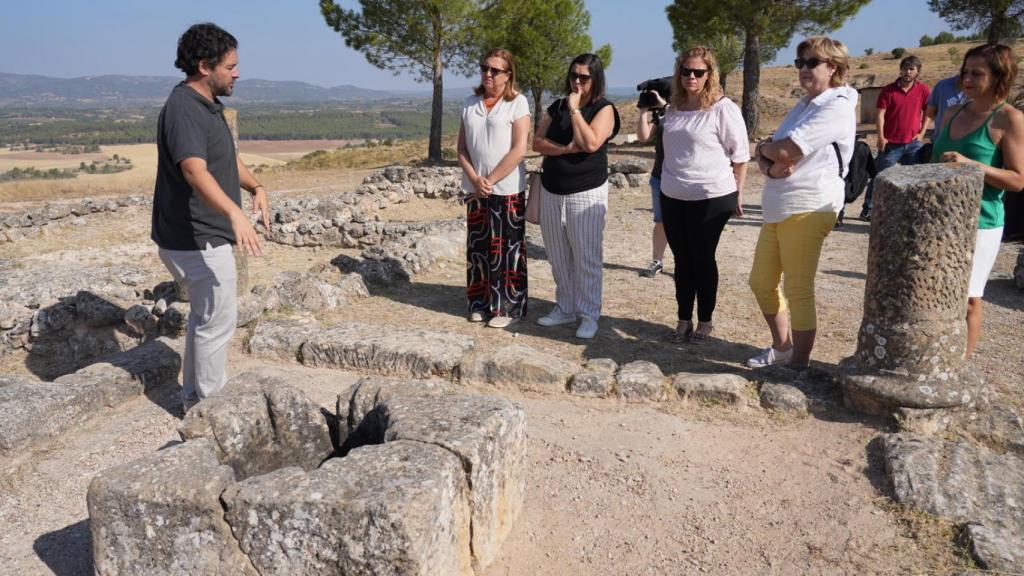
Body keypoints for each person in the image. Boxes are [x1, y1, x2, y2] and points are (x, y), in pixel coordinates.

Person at [152, 23, 271, 412]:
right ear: (205, 66)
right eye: (230, 66)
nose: (237, 73)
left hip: (202, 235)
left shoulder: (207, 105)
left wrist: (256, 187)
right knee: (216, 324)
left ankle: (194, 399)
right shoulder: (185, 108)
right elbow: (194, 170)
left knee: (207, 321)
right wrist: (234, 212)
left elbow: (227, 159)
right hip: (196, 238)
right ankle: (209, 409)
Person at [749, 36, 857, 368]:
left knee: (797, 288)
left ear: (833, 67)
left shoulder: (837, 105)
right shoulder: (806, 104)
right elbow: (772, 153)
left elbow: (785, 149)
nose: (804, 69)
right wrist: (769, 160)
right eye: (800, 63)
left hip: (809, 204)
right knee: (761, 282)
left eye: (812, 62)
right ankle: (782, 349)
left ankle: (799, 365)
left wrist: (765, 150)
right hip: (780, 204)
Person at [932, 43, 1024, 358]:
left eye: (977, 73)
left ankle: (962, 364)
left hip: (981, 222)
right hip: (939, 219)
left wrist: (972, 166)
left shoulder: (1009, 119)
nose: (967, 79)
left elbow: (1018, 179)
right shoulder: (952, 113)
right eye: (965, 72)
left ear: (999, 76)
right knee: (936, 292)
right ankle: (936, 359)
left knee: (969, 297)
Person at [658, 46, 749, 343]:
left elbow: (740, 155)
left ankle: (705, 322)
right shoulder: (673, 108)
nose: (692, 77)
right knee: (681, 259)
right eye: (686, 71)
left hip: (712, 196)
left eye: (698, 72)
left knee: (702, 257)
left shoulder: (723, 108)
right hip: (672, 195)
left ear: (710, 74)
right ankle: (683, 319)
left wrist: (738, 193)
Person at [532, 53, 620, 339]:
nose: (577, 82)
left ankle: (589, 314)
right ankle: (566, 307)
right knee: (558, 255)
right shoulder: (556, 106)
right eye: (573, 75)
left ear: (596, 79)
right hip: (552, 189)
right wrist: (565, 149)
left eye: (584, 77)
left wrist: (574, 110)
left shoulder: (604, 109)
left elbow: (591, 142)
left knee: (586, 257)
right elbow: (537, 142)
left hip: (587, 192)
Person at [457, 48, 531, 328]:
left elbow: (519, 149)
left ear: (508, 74)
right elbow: (462, 148)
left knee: (508, 249)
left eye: (495, 70)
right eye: (484, 68)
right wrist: (475, 179)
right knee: (478, 248)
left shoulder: (518, 103)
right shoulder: (470, 103)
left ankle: (507, 308)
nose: (487, 73)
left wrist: (490, 179)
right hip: (476, 189)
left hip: (507, 189)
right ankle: (479, 303)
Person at [861, 55, 931, 221]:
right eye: (905, 68)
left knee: (913, 179)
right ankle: (868, 209)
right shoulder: (888, 90)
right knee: (880, 177)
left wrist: (922, 133)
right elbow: (880, 114)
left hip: (913, 144)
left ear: (917, 72)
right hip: (890, 143)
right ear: (900, 70)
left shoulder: (924, 90)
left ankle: (911, 210)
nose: (908, 72)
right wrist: (881, 137)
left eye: (911, 69)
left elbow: (928, 112)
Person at [636, 91, 669, 278]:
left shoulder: (684, 111)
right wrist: (643, 111)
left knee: (684, 223)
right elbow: (643, 136)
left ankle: (685, 263)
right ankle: (657, 261)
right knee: (660, 222)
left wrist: (664, 104)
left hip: (682, 179)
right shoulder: (662, 116)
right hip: (660, 177)